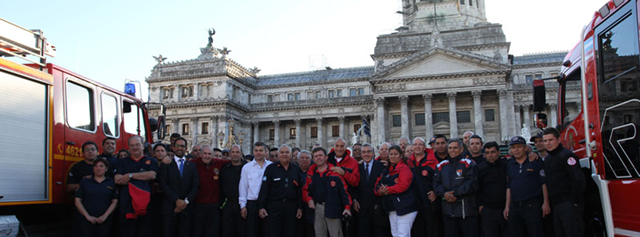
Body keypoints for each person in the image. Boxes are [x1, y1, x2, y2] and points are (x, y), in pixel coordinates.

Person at [504, 136, 550, 237]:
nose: (516, 150)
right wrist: (507, 206)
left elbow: (544, 183)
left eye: (519, 147)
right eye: (514, 147)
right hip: (515, 206)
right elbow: (509, 186)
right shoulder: (510, 165)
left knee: (535, 232)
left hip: (532, 205)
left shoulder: (535, 162)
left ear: (525, 148)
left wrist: (546, 202)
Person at [543, 128, 586, 237]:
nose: (548, 143)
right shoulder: (548, 159)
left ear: (558, 139)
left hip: (568, 203)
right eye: (545, 141)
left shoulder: (567, 156)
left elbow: (578, 179)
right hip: (556, 205)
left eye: (550, 140)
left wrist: (574, 201)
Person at [115, 136, 159, 237]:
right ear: (129, 148)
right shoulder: (122, 162)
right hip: (127, 205)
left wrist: (130, 176)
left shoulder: (151, 161)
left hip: (146, 206)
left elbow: (152, 175)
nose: (135, 147)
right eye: (132, 145)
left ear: (143, 146)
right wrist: (142, 176)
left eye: (137, 145)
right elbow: (118, 179)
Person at [434, 139, 479, 237]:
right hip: (448, 212)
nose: (452, 150)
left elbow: (471, 183)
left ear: (461, 149)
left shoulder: (469, 163)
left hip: (466, 211)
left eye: (455, 148)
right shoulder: (441, 165)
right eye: (450, 148)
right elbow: (436, 184)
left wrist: (455, 194)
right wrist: (444, 194)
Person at [303, 147, 352, 237]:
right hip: (318, 208)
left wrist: (347, 207)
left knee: (336, 234)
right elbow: (305, 190)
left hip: (333, 208)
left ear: (326, 157)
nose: (318, 158)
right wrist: (309, 199)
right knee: (319, 234)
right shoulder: (311, 174)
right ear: (313, 159)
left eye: (321, 155)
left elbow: (344, 191)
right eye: (316, 156)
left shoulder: (335, 172)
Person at [258, 144, 303, 237]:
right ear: (278, 154)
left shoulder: (296, 169)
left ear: (290, 154)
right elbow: (264, 188)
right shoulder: (271, 169)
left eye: (287, 152)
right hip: (274, 207)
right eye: (282, 152)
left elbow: (299, 190)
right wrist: (261, 206)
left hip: (291, 207)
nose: (284, 154)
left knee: (290, 233)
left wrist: (300, 207)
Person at [159, 137, 199, 237]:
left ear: (186, 148)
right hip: (170, 208)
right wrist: (176, 200)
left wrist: (185, 201)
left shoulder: (192, 166)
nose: (180, 148)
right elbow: (163, 184)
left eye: (182, 146)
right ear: (173, 148)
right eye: (177, 146)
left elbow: (195, 186)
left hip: (187, 208)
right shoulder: (166, 164)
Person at [375, 145, 417, 237]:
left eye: (395, 154)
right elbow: (377, 185)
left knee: (403, 234)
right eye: (391, 154)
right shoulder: (386, 171)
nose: (393, 156)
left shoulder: (404, 169)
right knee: (395, 233)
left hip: (405, 206)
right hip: (392, 207)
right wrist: (380, 191)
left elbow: (403, 186)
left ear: (401, 156)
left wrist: (387, 190)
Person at [74, 158, 118, 237]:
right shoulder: (85, 181)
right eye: (96, 166)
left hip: (105, 220)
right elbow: (77, 200)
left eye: (101, 166)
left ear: (106, 169)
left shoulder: (111, 182)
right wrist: (88, 216)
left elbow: (115, 201)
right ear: (93, 168)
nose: (98, 168)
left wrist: (104, 216)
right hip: (86, 220)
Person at [193, 146, 230, 237]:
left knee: (212, 232)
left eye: (209, 154)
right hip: (198, 205)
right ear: (201, 154)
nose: (207, 156)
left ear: (213, 155)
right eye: (205, 154)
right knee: (197, 232)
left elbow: (233, 161)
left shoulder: (218, 163)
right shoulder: (193, 163)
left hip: (214, 206)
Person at [353, 144, 389, 237]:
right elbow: (354, 185)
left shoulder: (382, 166)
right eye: (364, 152)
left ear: (373, 153)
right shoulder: (357, 167)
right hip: (362, 208)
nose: (366, 154)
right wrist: (355, 199)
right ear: (361, 154)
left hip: (378, 208)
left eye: (369, 152)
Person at [407, 137, 439, 237]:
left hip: (428, 200)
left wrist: (435, 191)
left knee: (431, 227)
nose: (417, 147)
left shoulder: (433, 160)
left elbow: (439, 179)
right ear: (412, 147)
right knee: (416, 228)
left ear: (425, 147)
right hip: (413, 200)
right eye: (415, 144)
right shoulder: (407, 162)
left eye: (420, 144)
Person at [239, 143, 271, 237]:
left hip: (267, 203)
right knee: (252, 231)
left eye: (261, 150)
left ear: (265, 152)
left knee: (267, 231)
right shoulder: (247, 168)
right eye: (256, 150)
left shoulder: (271, 166)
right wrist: (243, 205)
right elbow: (243, 187)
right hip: (252, 203)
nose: (258, 153)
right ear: (253, 152)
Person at [476, 142, 508, 237]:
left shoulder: (507, 165)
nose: (490, 155)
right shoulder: (480, 168)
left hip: (505, 208)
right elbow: (477, 188)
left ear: (498, 152)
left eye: (493, 152)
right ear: (484, 154)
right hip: (488, 209)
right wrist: (480, 206)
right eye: (487, 152)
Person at [220, 145, 247, 237]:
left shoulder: (247, 167)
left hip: (243, 205)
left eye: (237, 152)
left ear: (241, 154)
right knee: (227, 231)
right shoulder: (224, 168)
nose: (235, 154)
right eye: (233, 152)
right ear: (230, 154)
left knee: (242, 231)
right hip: (228, 204)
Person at [296, 150, 316, 237]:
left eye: (307, 158)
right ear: (297, 160)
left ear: (310, 160)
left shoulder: (315, 172)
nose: (304, 160)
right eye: (302, 158)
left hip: (311, 207)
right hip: (296, 207)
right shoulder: (293, 171)